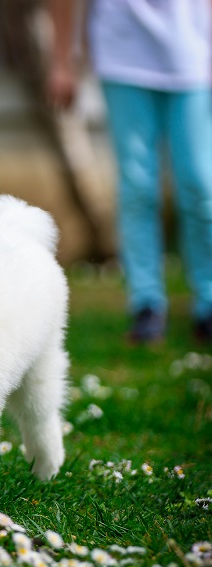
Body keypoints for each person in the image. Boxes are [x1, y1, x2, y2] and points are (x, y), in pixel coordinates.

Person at [47, 0, 212, 343]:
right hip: (123, 54)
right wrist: (62, 60)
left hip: (194, 53)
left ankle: (208, 301)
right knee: (138, 186)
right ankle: (147, 304)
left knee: (199, 184)